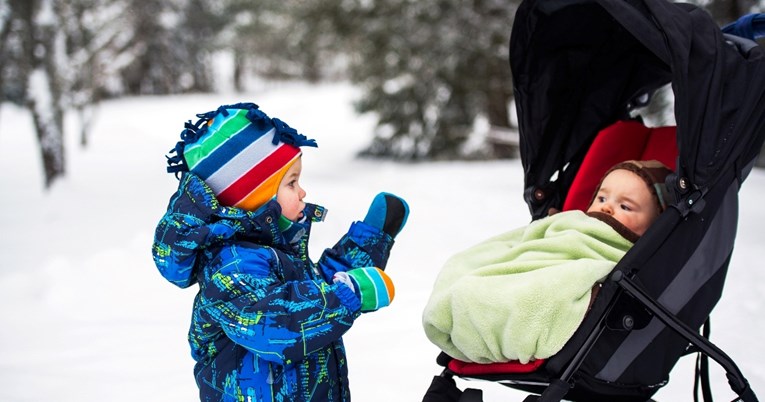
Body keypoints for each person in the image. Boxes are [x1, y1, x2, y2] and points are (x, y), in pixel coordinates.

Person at [151, 102, 409, 402]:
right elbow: (274, 324)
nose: (302, 193)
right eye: (291, 183)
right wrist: (349, 295)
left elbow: (315, 290)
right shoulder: (231, 268)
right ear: (254, 199)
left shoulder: (275, 252)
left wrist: (368, 241)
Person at [421, 160, 672, 365]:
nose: (606, 209)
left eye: (625, 206)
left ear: (654, 225)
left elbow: (578, 272)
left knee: (528, 294)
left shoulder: (632, 253)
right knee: (464, 267)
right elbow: (531, 244)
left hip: (561, 277)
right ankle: (468, 303)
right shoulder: (571, 223)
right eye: (602, 198)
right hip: (543, 260)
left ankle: (491, 316)